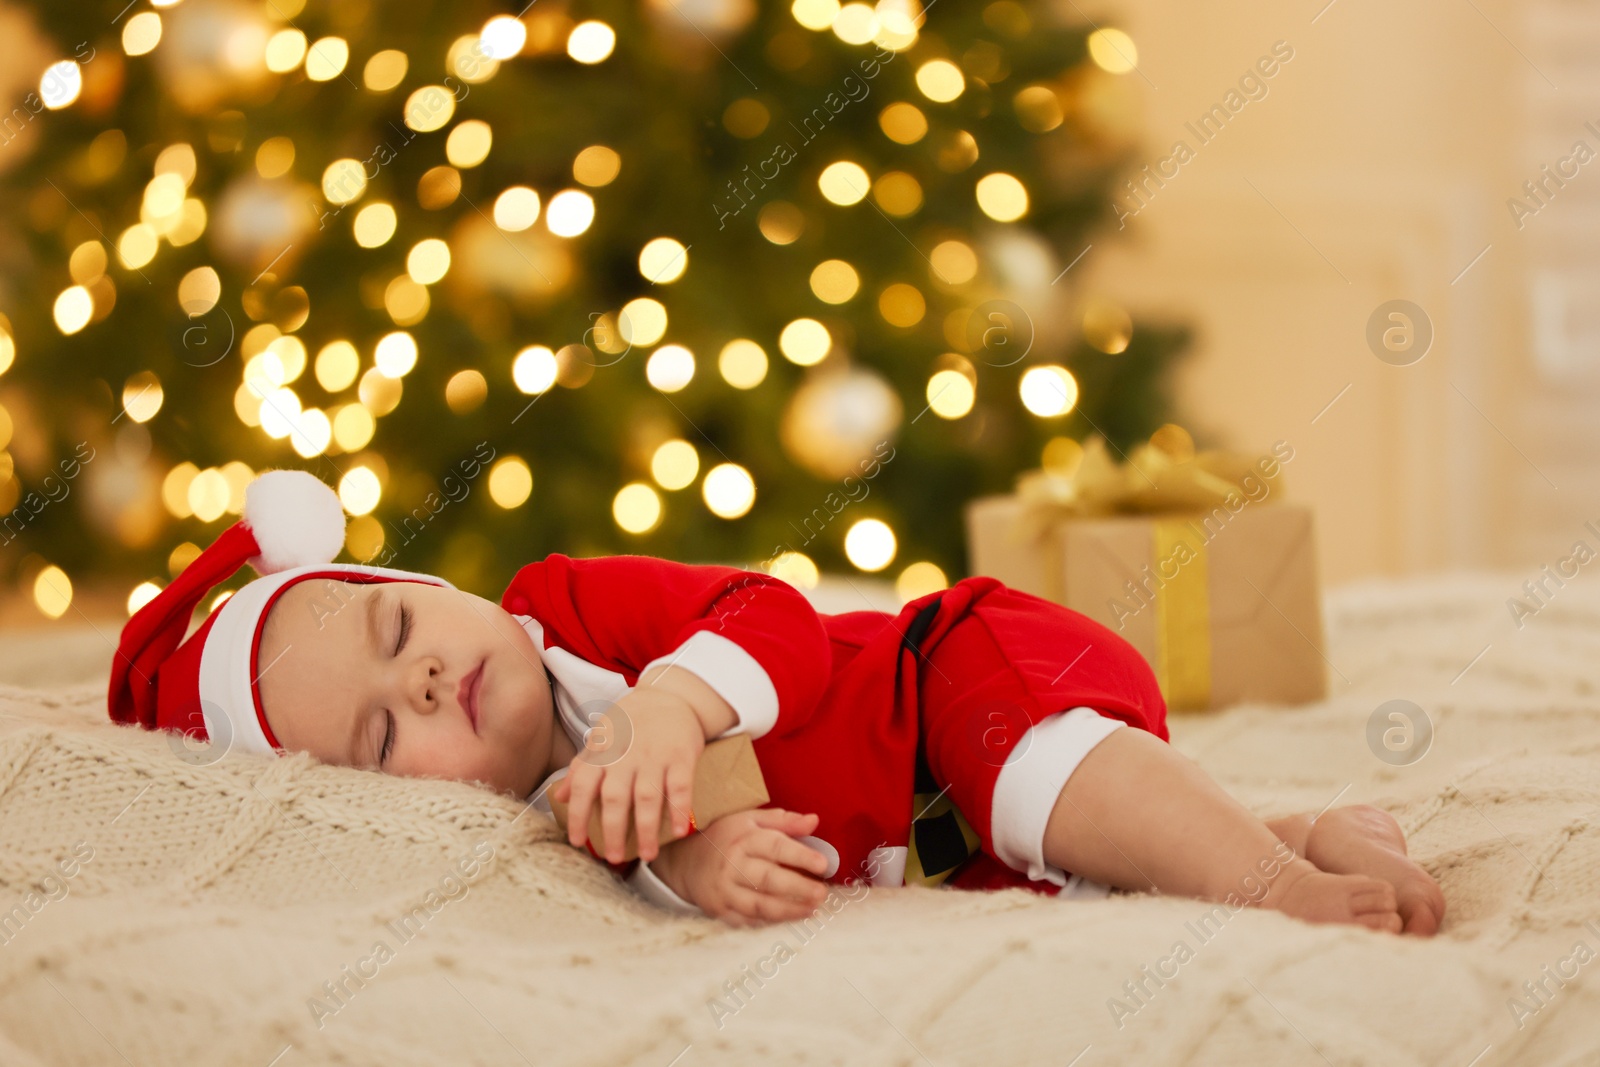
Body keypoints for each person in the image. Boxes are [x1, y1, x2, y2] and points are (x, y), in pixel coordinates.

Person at [109, 469, 1444, 933]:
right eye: (382, 731)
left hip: (955, 681)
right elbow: (649, 846)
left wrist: (679, 708)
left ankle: (1278, 895)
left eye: (401, 625)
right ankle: (1303, 834)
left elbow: (773, 618)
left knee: (1039, 777)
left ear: (432, 585)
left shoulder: (565, 607)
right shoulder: (546, 811)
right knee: (1086, 857)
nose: (422, 676)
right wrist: (695, 852)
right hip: (939, 847)